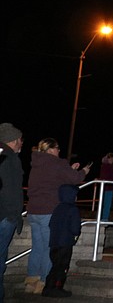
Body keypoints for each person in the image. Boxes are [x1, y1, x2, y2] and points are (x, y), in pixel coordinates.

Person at [25, 138, 91, 295]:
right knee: (50, 248)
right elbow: (75, 179)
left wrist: (69, 169)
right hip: (49, 210)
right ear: (50, 149)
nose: (59, 151)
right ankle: (44, 282)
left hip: (33, 210)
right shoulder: (57, 162)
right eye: (57, 148)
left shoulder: (37, 163)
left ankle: (30, 282)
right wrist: (83, 171)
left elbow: (55, 177)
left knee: (37, 247)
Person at [42, 184, 82, 298]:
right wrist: (76, 233)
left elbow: (51, 224)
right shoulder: (73, 209)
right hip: (65, 243)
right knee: (62, 266)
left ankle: (48, 287)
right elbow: (75, 228)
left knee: (55, 265)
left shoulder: (57, 209)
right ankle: (57, 287)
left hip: (54, 243)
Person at [0, 122, 25, 303]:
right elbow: (11, 190)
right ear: (14, 140)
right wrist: (14, 215)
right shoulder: (10, 158)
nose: (22, 143)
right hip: (4, 216)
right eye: (21, 140)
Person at [98, 152, 113, 221]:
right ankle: (104, 218)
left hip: (106, 187)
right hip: (108, 187)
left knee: (105, 203)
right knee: (107, 204)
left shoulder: (104, 166)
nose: (111, 160)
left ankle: (103, 217)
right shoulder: (108, 167)